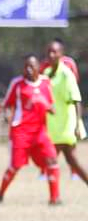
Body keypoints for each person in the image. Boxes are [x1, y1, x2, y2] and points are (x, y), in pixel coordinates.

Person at [0, 55, 60, 205]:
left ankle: (54, 198)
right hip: (21, 132)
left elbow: (52, 108)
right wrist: (7, 115)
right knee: (15, 166)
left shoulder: (45, 82)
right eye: (26, 66)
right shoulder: (17, 83)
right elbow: (7, 105)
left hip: (40, 132)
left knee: (52, 160)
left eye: (32, 66)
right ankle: (0, 194)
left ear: (38, 68)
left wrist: (45, 104)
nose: (29, 69)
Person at [43, 39, 88, 187]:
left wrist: (76, 125)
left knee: (52, 159)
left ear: (61, 54)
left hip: (66, 124)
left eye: (54, 52)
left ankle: (54, 198)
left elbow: (76, 100)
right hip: (52, 124)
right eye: (49, 51)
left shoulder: (67, 74)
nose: (51, 54)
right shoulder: (47, 73)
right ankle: (54, 196)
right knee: (70, 160)